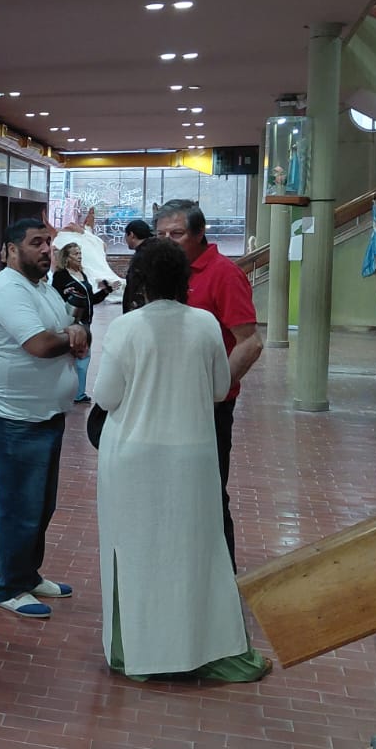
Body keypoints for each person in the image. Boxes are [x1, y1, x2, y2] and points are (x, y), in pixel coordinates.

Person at [89, 238, 269, 683]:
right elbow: (219, 387)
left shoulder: (126, 328)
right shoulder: (205, 323)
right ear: (184, 279)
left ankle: (138, 652)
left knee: (135, 551)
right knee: (195, 550)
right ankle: (203, 648)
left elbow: (106, 396)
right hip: (192, 455)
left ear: (140, 281)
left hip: (132, 458)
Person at [0, 218, 88, 620]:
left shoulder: (42, 287)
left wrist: (76, 331)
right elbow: (40, 344)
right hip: (13, 418)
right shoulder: (7, 290)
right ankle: (8, 586)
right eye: (36, 242)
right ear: (10, 250)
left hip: (44, 414)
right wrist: (72, 336)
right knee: (21, 507)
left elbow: (71, 328)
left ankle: (27, 575)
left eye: (48, 243)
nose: (46, 250)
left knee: (41, 505)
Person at [155, 199, 262, 570]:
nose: (167, 242)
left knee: (207, 495)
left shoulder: (223, 274)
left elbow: (250, 342)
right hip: (167, 405)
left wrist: (214, 391)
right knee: (171, 493)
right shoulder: (165, 273)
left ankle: (221, 580)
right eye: (161, 235)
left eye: (177, 234)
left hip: (208, 410)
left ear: (200, 234)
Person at [52, 242, 114, 404]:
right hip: (70, 322)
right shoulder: (61, 276)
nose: (79, 257)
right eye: (76, 254)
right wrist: (65, 293)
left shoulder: (82, 275)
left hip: (85, 321)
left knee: (83, 357)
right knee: (70, 356)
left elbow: (90, 300)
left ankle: (79, 393)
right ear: (67, 257)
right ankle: (66, 391)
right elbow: (55, 298)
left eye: (80, 253)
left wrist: (106, 290)